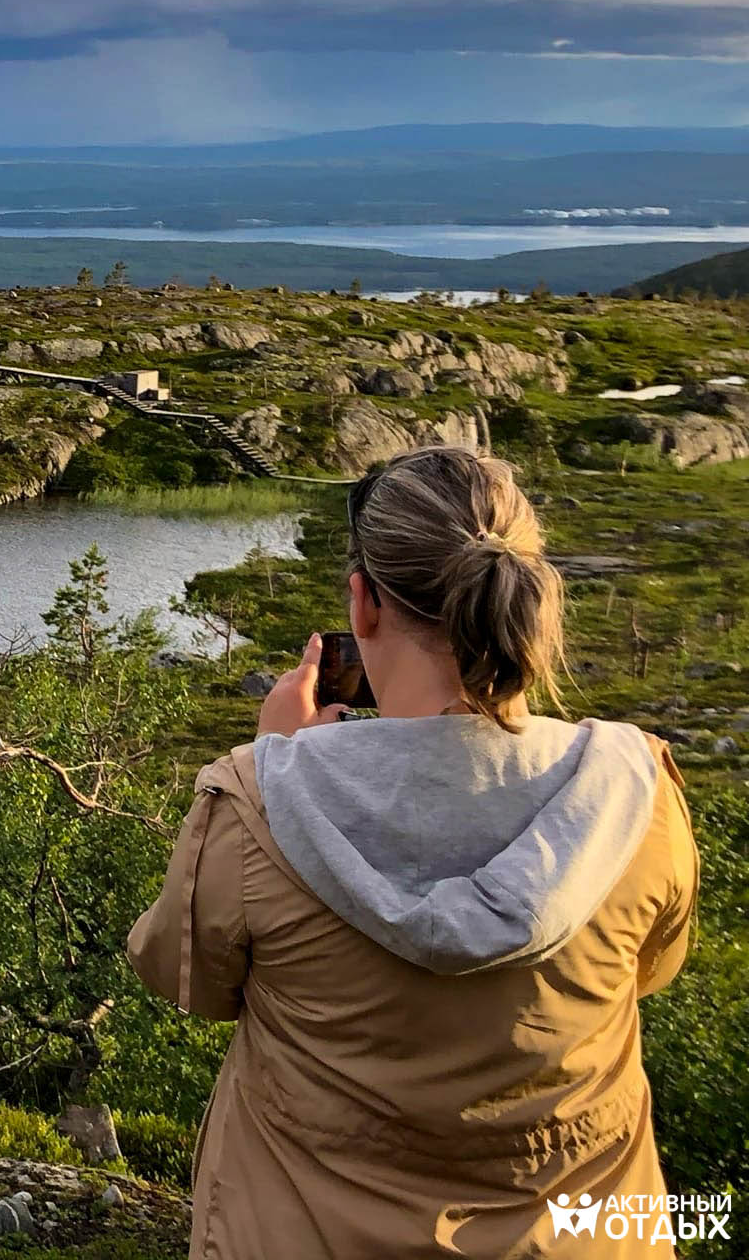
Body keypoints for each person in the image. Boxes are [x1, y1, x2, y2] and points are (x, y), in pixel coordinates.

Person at [128, 446, 699, 1258]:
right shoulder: (639, 795)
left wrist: (276, 760)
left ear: (362, 606)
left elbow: (182, 977)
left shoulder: (255, 805)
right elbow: (653, 970)